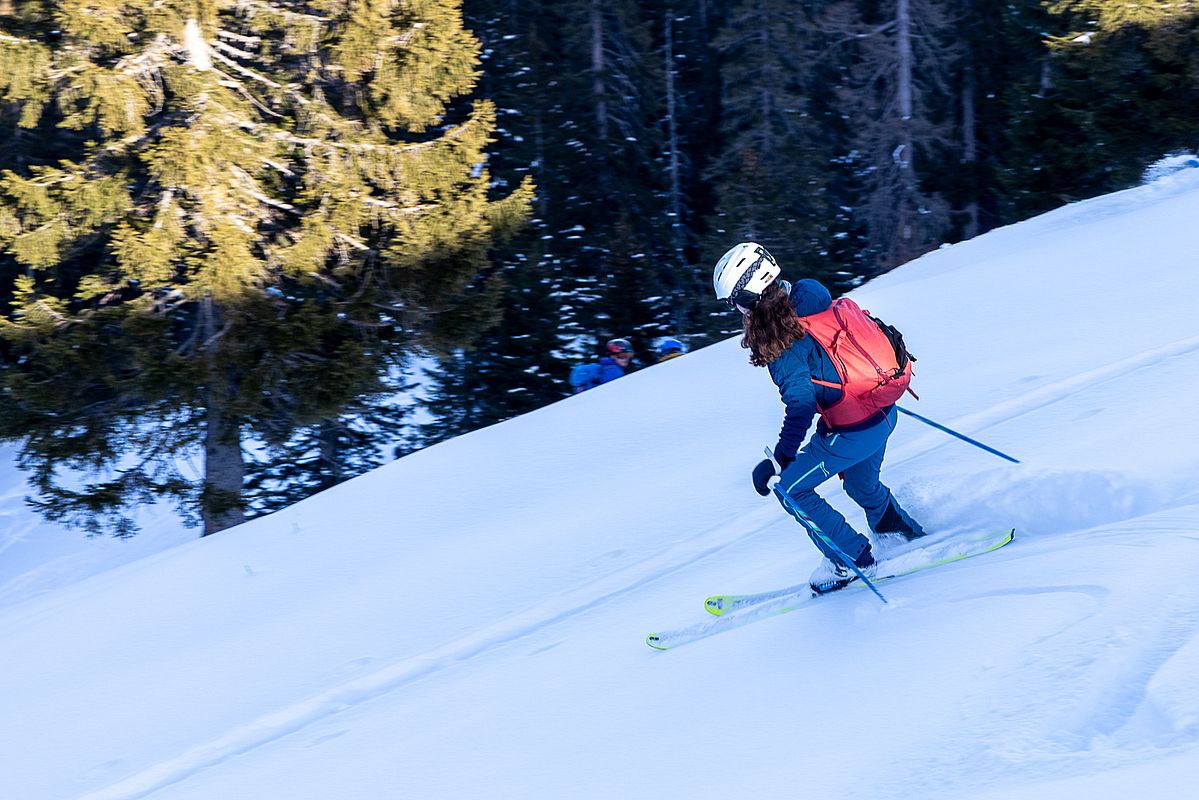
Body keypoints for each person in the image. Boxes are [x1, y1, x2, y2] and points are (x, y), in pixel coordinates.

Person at [713, 241, 925, 594]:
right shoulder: (810, 297)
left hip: (854, 430)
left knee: (791, 489)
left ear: (750, 297)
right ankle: (898, 531)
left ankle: (849, 559)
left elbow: (800, 405)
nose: (738, 311)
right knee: (861, 485)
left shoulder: (785, 340)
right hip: (884, 411)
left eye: (735, 302)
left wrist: (780, 460)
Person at [570, 337, 634, 393]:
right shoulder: (613, 370)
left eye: (628, 355)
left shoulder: (605, 368)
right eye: (621, 356)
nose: (626, 359)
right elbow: (613, 392)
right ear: (612, 356)